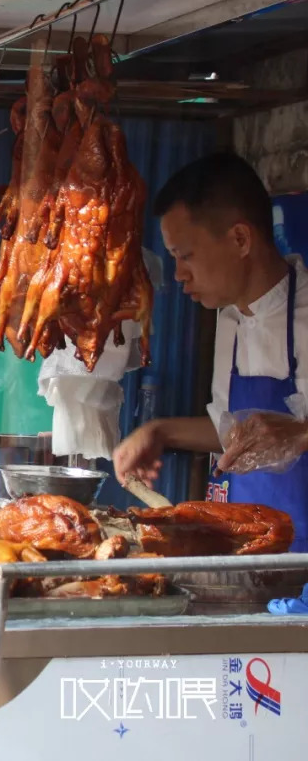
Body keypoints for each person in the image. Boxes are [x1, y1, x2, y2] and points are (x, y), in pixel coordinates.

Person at [113, 152, 308, 551]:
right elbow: (232, 434)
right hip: (250, 560)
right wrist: (159, 431)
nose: (179, 274)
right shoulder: (229, 317)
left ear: (240, 239)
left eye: (186, 256)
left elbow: (281, 438)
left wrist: (301, 433)